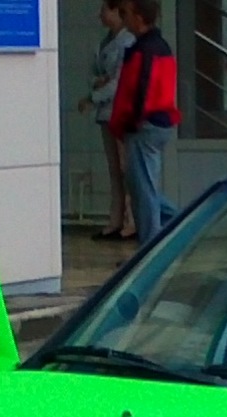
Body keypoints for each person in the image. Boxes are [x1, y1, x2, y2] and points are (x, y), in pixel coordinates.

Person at [109, 0, 181, 248]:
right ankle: (182, 223)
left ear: (138, 17)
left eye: (125, 13)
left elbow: (140, 91)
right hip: (154, 123)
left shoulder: (144, 50)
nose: (123, 17)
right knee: (144, 187)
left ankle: (149, 248)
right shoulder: (159, 47)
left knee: (143, 192)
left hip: (144, 125)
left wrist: (128, 123)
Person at [77, 0, 136, 241]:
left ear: (116, 12)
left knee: (125, 169)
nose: (100, 14)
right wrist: (98, 83)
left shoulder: (127, 42)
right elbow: (95, 74)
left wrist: (93, 97)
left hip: (120, 113)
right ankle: (115, 221)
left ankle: (131, 221)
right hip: (106, 114)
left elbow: (119, 82)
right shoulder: (104, 42)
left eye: (104, 10)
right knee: (115, 171)